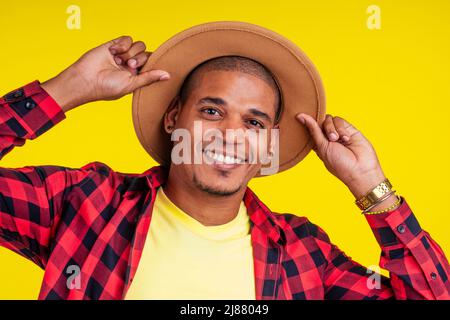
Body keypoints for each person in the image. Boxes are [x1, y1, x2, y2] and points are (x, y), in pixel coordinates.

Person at [0, 34, 449, 300]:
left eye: (254, 122)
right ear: (174, 117)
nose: (231, 134)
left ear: (268, 143)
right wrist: (69, 87)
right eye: (212, 112)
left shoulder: (304, 255)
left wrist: (370, 185)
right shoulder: (86, 203)